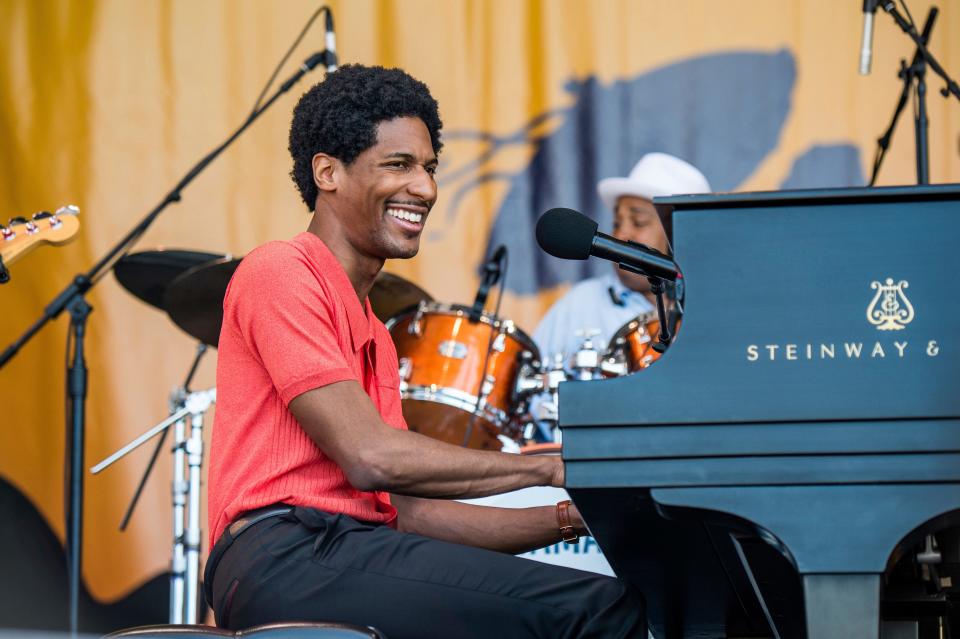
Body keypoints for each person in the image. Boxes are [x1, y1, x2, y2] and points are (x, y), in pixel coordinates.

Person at [203, 64, 646, 639]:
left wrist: (575, 516)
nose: (426, 188)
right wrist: (552, 465)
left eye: (430, 168)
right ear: (327, 172)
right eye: (399, 165)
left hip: (347, 549)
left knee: (612, 601)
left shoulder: (377, 334)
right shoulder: (281, 270)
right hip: (281, 555)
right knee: (597, 611)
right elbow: (372, 457)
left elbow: (413, 514)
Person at [533, 153, 712, 364]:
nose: (621, 234)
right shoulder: (580, 304)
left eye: (639, 222)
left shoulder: (716, 308)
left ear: (683, 236)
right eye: (617, 223)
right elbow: (531, 388)